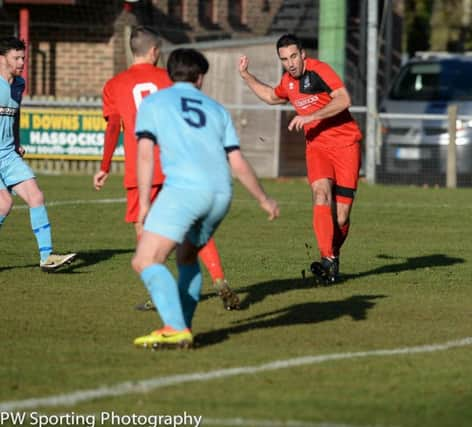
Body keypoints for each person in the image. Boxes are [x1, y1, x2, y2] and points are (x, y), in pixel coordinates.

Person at [131, 48, 279, 349]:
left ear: (170, 74)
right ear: (200, 78)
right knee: (186, 256)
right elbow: (236, 160)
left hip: (184, 191)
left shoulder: (154, 102)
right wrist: (263, 198)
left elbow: (145, 155)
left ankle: (174, 326)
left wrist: (145, 202)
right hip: (221, 194)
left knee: (146, 259)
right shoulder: (216, 109)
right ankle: (181, 327)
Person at [94, 26, 240, 310]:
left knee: (145, 230)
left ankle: (156, 289)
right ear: (154, 51)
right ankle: (219, 278)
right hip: (176, 165)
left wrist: (104, 166)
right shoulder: (168, 78)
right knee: (194, 227)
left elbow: (114, 127)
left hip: (141, 170)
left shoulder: (114, 85)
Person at [238, 33, 361, 284]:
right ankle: (326, 258)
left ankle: (332, 259)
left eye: (294, 56)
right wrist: (246, 76)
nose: (290, 63)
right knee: (320, 194)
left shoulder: (319, 71)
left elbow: (343, 99)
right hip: (317, 146)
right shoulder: (288, 82)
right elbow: (272, 96)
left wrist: (311, 116)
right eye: (284, 59)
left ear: (303, 54)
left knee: (342, 217)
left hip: (346, 144)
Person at [0, 36, 76, 270]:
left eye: (23, 57)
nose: (22, 62)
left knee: (36, 196)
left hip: (8, 153)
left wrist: (17, 142)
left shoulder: (19, 85)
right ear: (2, 58)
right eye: (17, 58)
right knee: (4, 204)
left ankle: (47, 257)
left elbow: (15, 115)